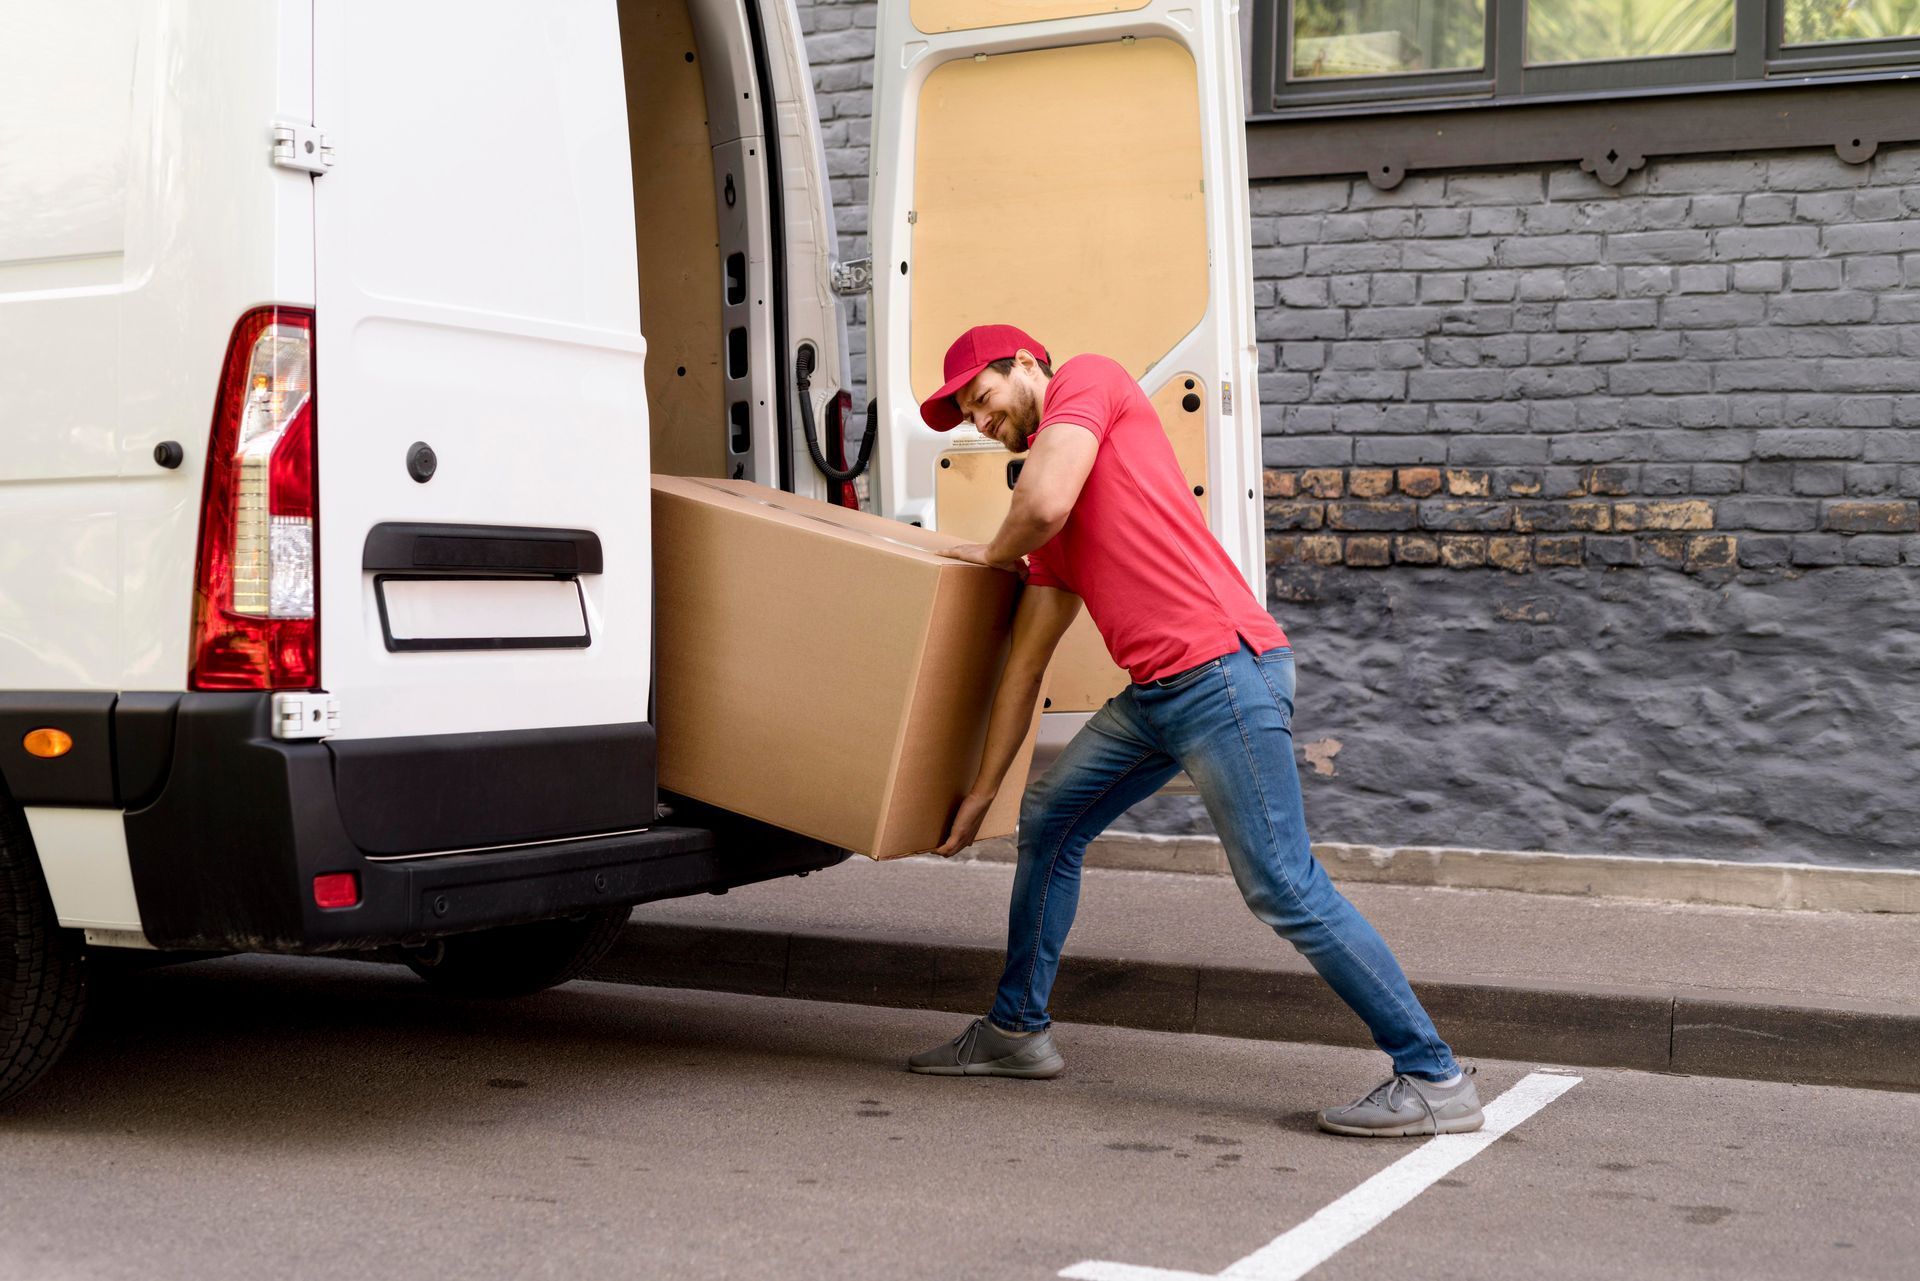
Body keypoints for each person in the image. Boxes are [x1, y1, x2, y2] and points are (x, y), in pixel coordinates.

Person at [905, 323, 1481, 1138]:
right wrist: (982, 794)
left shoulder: (1091, 381)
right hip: (1160, 694)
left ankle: (1434, 1075)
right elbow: (1023, 672)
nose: (978, 420)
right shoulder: (1050, 535)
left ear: (1028, 365)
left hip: (1221, 672)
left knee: (1281, 884)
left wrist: (989, 557)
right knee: (1051, 818)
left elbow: (1038, 500)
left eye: (983, 398)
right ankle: (1016, 1031)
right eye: (966, 412)